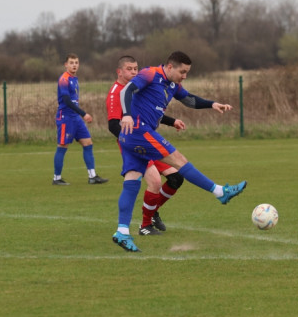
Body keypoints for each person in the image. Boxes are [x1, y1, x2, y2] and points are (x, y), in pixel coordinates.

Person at [112, 51, 247, 252]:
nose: (184, 75)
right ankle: (220, 192)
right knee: (178, 160)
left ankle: (122, 232)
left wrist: (212, 104)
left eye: (187, 72)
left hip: (132, 136)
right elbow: (126, 91)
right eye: (182, 72)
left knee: (132, 180)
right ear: (169, 67)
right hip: (138, 130)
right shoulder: (151, 74)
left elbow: (189, 100)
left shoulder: (173, 85)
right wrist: (128, 116)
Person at [104, 55, 186, 237]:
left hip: (147, 139)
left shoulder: (138, 86)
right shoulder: (117, 92)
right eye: (129, 69)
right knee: (155, 182)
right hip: (134, 144)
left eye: (135, 68)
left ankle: (152, 210)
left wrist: (172, 121)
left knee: (176, 178)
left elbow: (151, 111)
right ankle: (144, 226)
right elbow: (113, 125)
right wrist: (132, 140)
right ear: (119, 72)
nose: (134, 72)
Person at [53, 53, 109, 186]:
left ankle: (92, 176)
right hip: (66, 117)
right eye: (71, 62)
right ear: (66, 64)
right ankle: (56, 178)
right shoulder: (64, 79)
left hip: (75, 118)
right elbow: (66, 100)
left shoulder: (75, 79)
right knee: (62, 146)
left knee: (88, 143)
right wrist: (83, 114)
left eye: (76, 62)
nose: (74, 65)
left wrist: (79, 115)